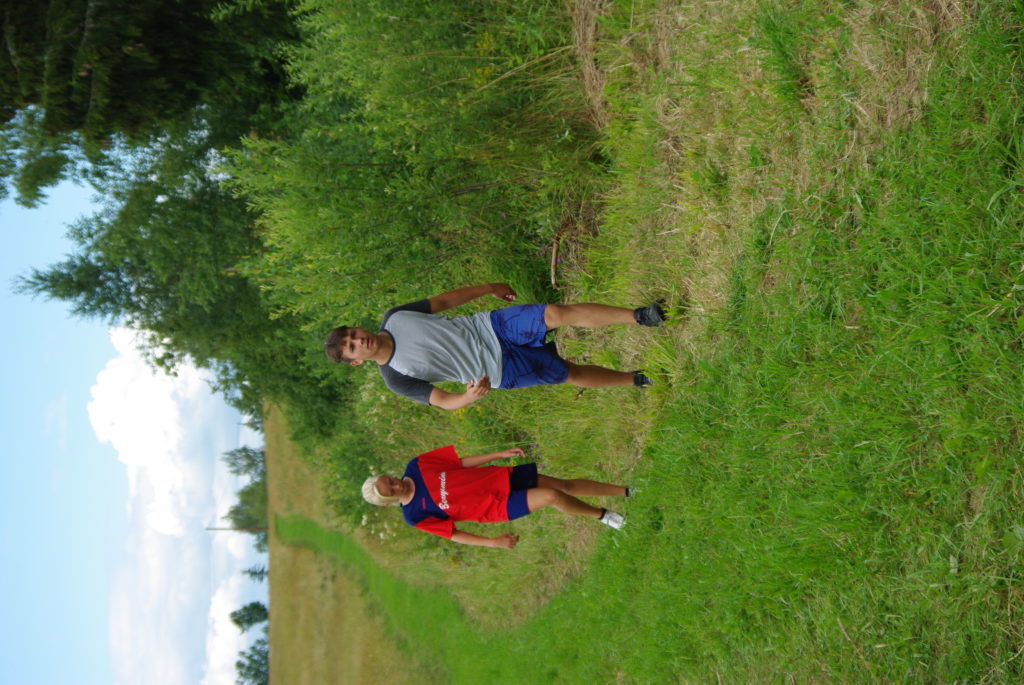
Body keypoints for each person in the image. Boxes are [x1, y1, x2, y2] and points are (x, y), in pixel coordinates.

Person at [324, 282, 665, 409]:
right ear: (356, 361)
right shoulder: (395, 378)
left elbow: (444, 302)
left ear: (357, 327)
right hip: (499, 371)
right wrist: (469, 396)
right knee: (568, 373)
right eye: (352, 347)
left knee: (555, 313)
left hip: (491, 327)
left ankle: (641, 316)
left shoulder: (395, 317)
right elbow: (443, 401)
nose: (359, 341)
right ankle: (638, 379)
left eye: (353, 334)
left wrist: (488, 288)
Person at [361, 445, 630, 548]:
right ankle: (604, 516)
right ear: (389, 501)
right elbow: (454, 534)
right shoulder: (413, 516)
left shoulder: (416, 465)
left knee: (564, 486)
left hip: (499, 478)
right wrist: (492, 542)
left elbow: (460, 463)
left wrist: (497, 455)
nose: (395, 485)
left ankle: (627, 491)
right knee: (551, 496)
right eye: (390, 491)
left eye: (390, 480)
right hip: (495, 506)